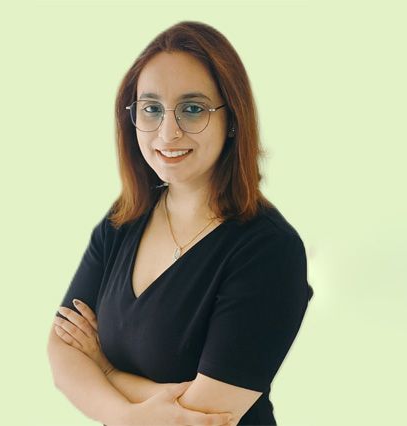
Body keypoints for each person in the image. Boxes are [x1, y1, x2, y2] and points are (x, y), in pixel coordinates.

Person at [47, 20, 314, 426]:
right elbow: (63, 348)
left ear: (232, 119)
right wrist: (126, 416)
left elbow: (206, 417)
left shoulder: (269, 249)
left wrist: (106, 371)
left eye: (192, 109)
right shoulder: (123, 221)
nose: (168, 132)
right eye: (151, 109)